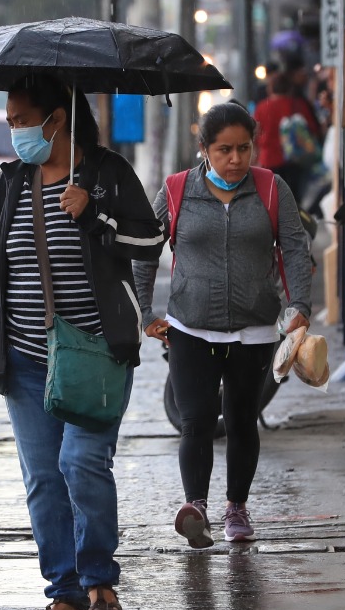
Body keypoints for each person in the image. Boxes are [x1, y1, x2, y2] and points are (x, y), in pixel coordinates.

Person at [0, 74, 164, 610]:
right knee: (44, 479)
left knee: (81, 462)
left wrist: (94, 216)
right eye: (10, 122)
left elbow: (150, 243)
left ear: (57, 120)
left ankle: (101, 581)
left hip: (95, 355)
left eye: (22, 120)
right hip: (24, 357)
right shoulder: (8, 185)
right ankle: (66, 594)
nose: (15, 131)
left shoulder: (106, 174)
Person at [134, 101, 314, 548]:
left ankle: (236, 507)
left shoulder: (272, 189)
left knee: (241, 420)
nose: (235, 159)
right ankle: (195, 506)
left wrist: (300, 307)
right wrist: (144, 312)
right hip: (190, 328)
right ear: (203, 150)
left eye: (244, 148)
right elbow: (144, 249)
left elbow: (294, 248)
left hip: (254, 330)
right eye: (224, 150)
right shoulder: (176, 191)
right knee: (195, 420)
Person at [252, 70, 323, 206]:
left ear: (270, 88)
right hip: (296, 159)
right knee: (295, 200)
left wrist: (255, 161)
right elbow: (313, 130)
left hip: (269, 161)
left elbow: (254, 137)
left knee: (273, 201)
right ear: (289, 87)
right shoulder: (298, 105)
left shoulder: (262, 107)